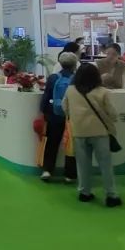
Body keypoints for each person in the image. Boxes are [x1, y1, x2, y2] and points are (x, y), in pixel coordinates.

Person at [63, 62, 122, 207]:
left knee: (82, 165)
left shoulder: (70, 90)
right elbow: (112, 113)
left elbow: (64, 107)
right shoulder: (103, 92)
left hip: (79, 132)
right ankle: (111, 195)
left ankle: (84, 192)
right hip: (99, 132)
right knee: (105, 165)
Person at [38, 52, 78, 183]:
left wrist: (45, 112)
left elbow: (46, 97)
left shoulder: (53, 78)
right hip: (71, 117)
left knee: (51, 143)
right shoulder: (77, 79)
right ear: (74, 64)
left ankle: (47, 170)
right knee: (71, 146)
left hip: (54, 115)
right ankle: (70, 174)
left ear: (60, 63)